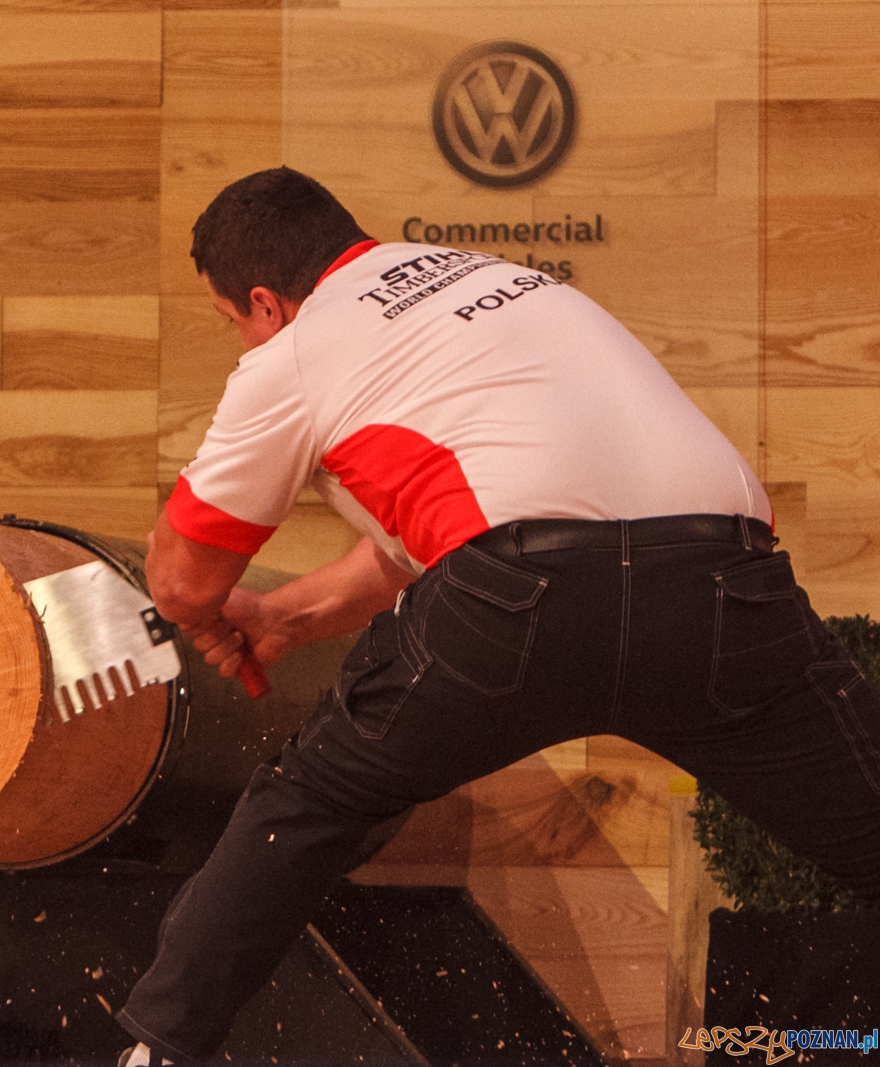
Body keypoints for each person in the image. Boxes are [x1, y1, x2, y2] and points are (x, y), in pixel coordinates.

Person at [115, 167, 880, 1063]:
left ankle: (158, 1053)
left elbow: (181, 581)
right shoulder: (504, 281)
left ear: (262, 302)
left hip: (517, 605)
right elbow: (443, 532)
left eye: (232, 322)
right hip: (723, 588)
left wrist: (199, 595)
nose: (243, 341)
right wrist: (283, 618)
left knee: (307, 801)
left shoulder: (297, 350)